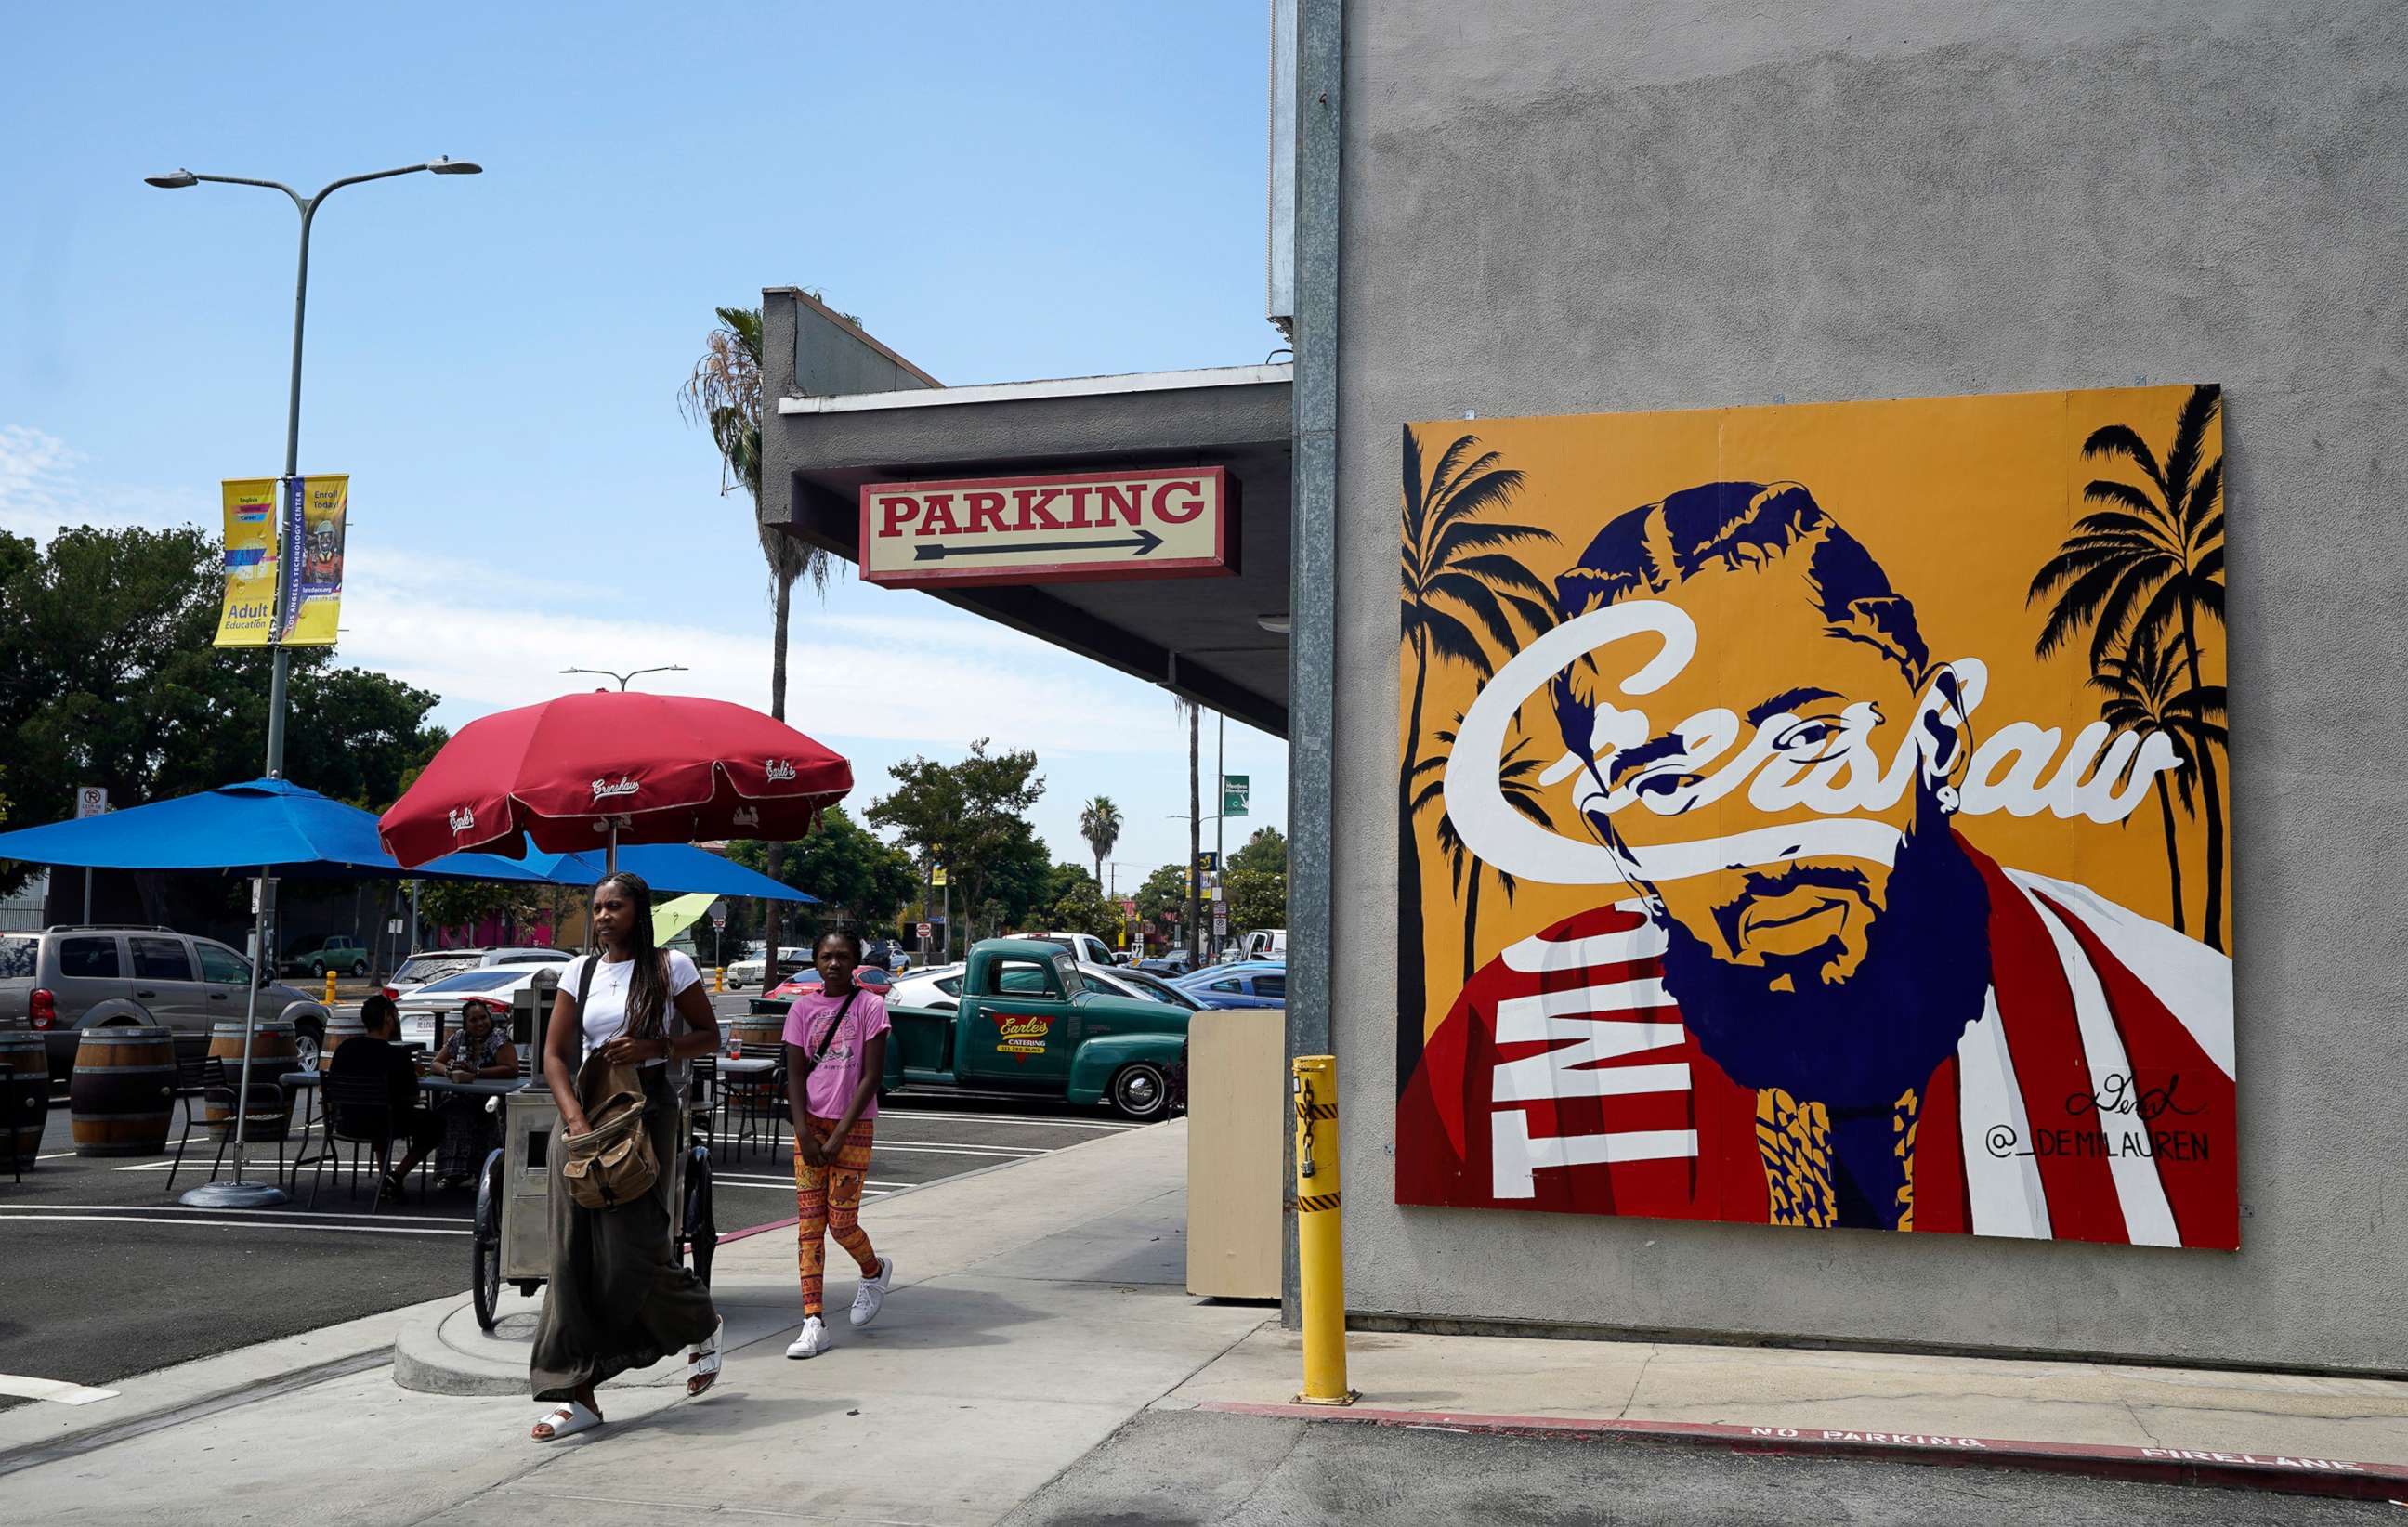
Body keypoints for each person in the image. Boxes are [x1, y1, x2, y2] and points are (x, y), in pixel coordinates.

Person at [1400, 480, 2235, 1246]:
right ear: (1617, 842)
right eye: (1667, 782)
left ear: (1938, 739)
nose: (1760, 848)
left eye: (1807, 742)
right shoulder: (1512, 1034)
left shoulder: (2175, 1020)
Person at [528, 872, 726, 1442]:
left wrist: (657, 1047)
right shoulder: (579, 971)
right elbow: (556, 1055)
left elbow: (709, 1035)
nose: (603, 916)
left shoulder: (670, 969)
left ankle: (700, 1320)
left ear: (640, 913)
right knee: (570, 1260)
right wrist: (576, 1124)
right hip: (583, 1119)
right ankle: (575, 1393)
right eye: (596, 908)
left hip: (645, 1117)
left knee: (632, 1253)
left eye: (615, 906)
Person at [780, 929, 895, 1359]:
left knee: (841, 1223)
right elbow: (793, 1074)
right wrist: (804, 1132)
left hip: (854, 1126)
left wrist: (840, 1134)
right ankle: (813, 1321)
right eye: (826, 956)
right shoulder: (802, 1010)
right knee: (810, 1227)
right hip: (810, 1127)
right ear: (815, 961)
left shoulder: (871, 1007)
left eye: (842, 956)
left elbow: (871, 1076)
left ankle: (875, 1269)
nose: (834, 964)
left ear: (855, 961)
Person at [328, 993, 440, 1199]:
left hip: (345, 1122)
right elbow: (412, 1097)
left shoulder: (344, 1049)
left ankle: (384, 1177)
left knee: (383, 1110)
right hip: (382, 1124)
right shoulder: (397, 1056)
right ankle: (395, 1177)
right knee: (436, 1123)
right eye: (396, 1015)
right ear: (388, 1018)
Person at [429, 999, 517, 1189]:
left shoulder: (499, 1038)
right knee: (450, 1112)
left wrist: (476, 1072)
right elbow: (436, 1063)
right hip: (464, 1096)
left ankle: (485, 1173)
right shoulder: (459, 1037)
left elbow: (511, 1069)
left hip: (492, 1099)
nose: (480, 1023)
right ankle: (453, 1172)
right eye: (473, 1020)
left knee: (487, 1117)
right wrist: (449, 1071)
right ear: (465, 1023)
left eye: (483, 1018)